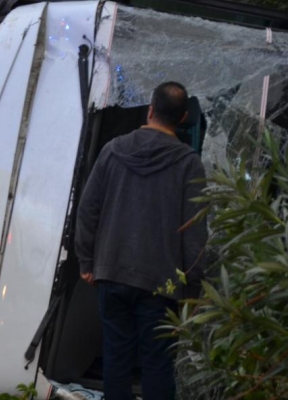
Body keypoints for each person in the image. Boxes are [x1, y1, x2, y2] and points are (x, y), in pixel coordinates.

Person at [75, 82, 207, 400]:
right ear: (184, 117)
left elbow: (88, 209)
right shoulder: (189, 164)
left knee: (116, 360)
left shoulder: (113, 150)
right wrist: (192, 287)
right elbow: (195, 233)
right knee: (158, 364)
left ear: (150, 109)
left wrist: (88, 263)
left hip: (113, 272)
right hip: (162, 284)